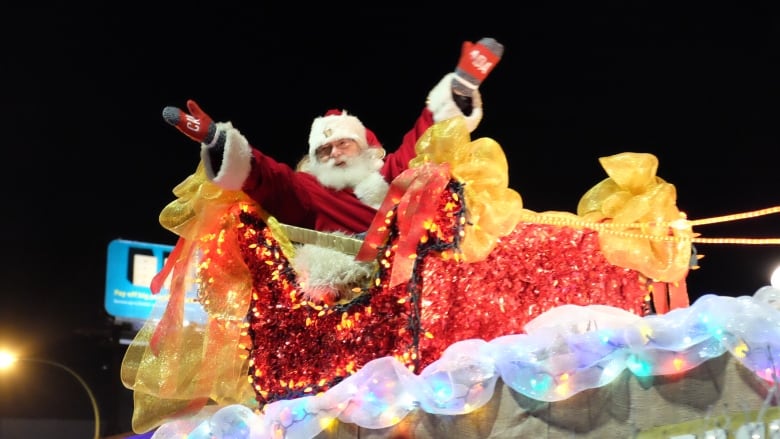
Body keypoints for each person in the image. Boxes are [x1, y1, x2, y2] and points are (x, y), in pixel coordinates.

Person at [162, 37, 504, 302]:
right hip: (342, 287)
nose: (335, 153)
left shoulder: (388, 173)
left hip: (410, 275)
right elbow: (267, 176)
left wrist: (459, 89)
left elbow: (425, 137)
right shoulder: (308, 192)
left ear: (366, 148)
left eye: (344, 144)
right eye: (324, 150)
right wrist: (217, 139)